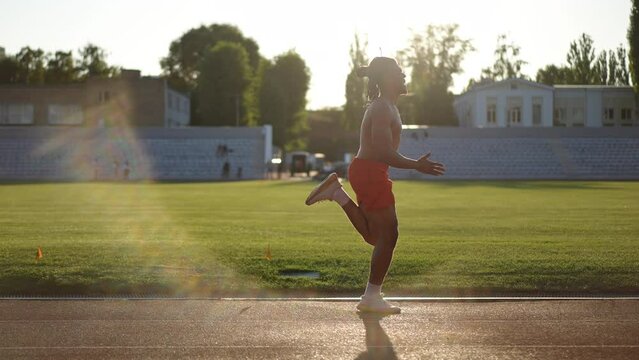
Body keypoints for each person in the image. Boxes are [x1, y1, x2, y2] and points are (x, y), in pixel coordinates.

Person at [305, 57, 446, 314]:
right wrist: (416, 165)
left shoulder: (388, 106)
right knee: (388, 235)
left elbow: (382, 153)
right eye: (398, 72)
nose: (404, 75)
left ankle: (336, 193)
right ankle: (371, 297)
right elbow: (382, 151)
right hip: (371, 170)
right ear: (387, 78)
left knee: (377, 236)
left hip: (370, 170)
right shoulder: (382, 108)